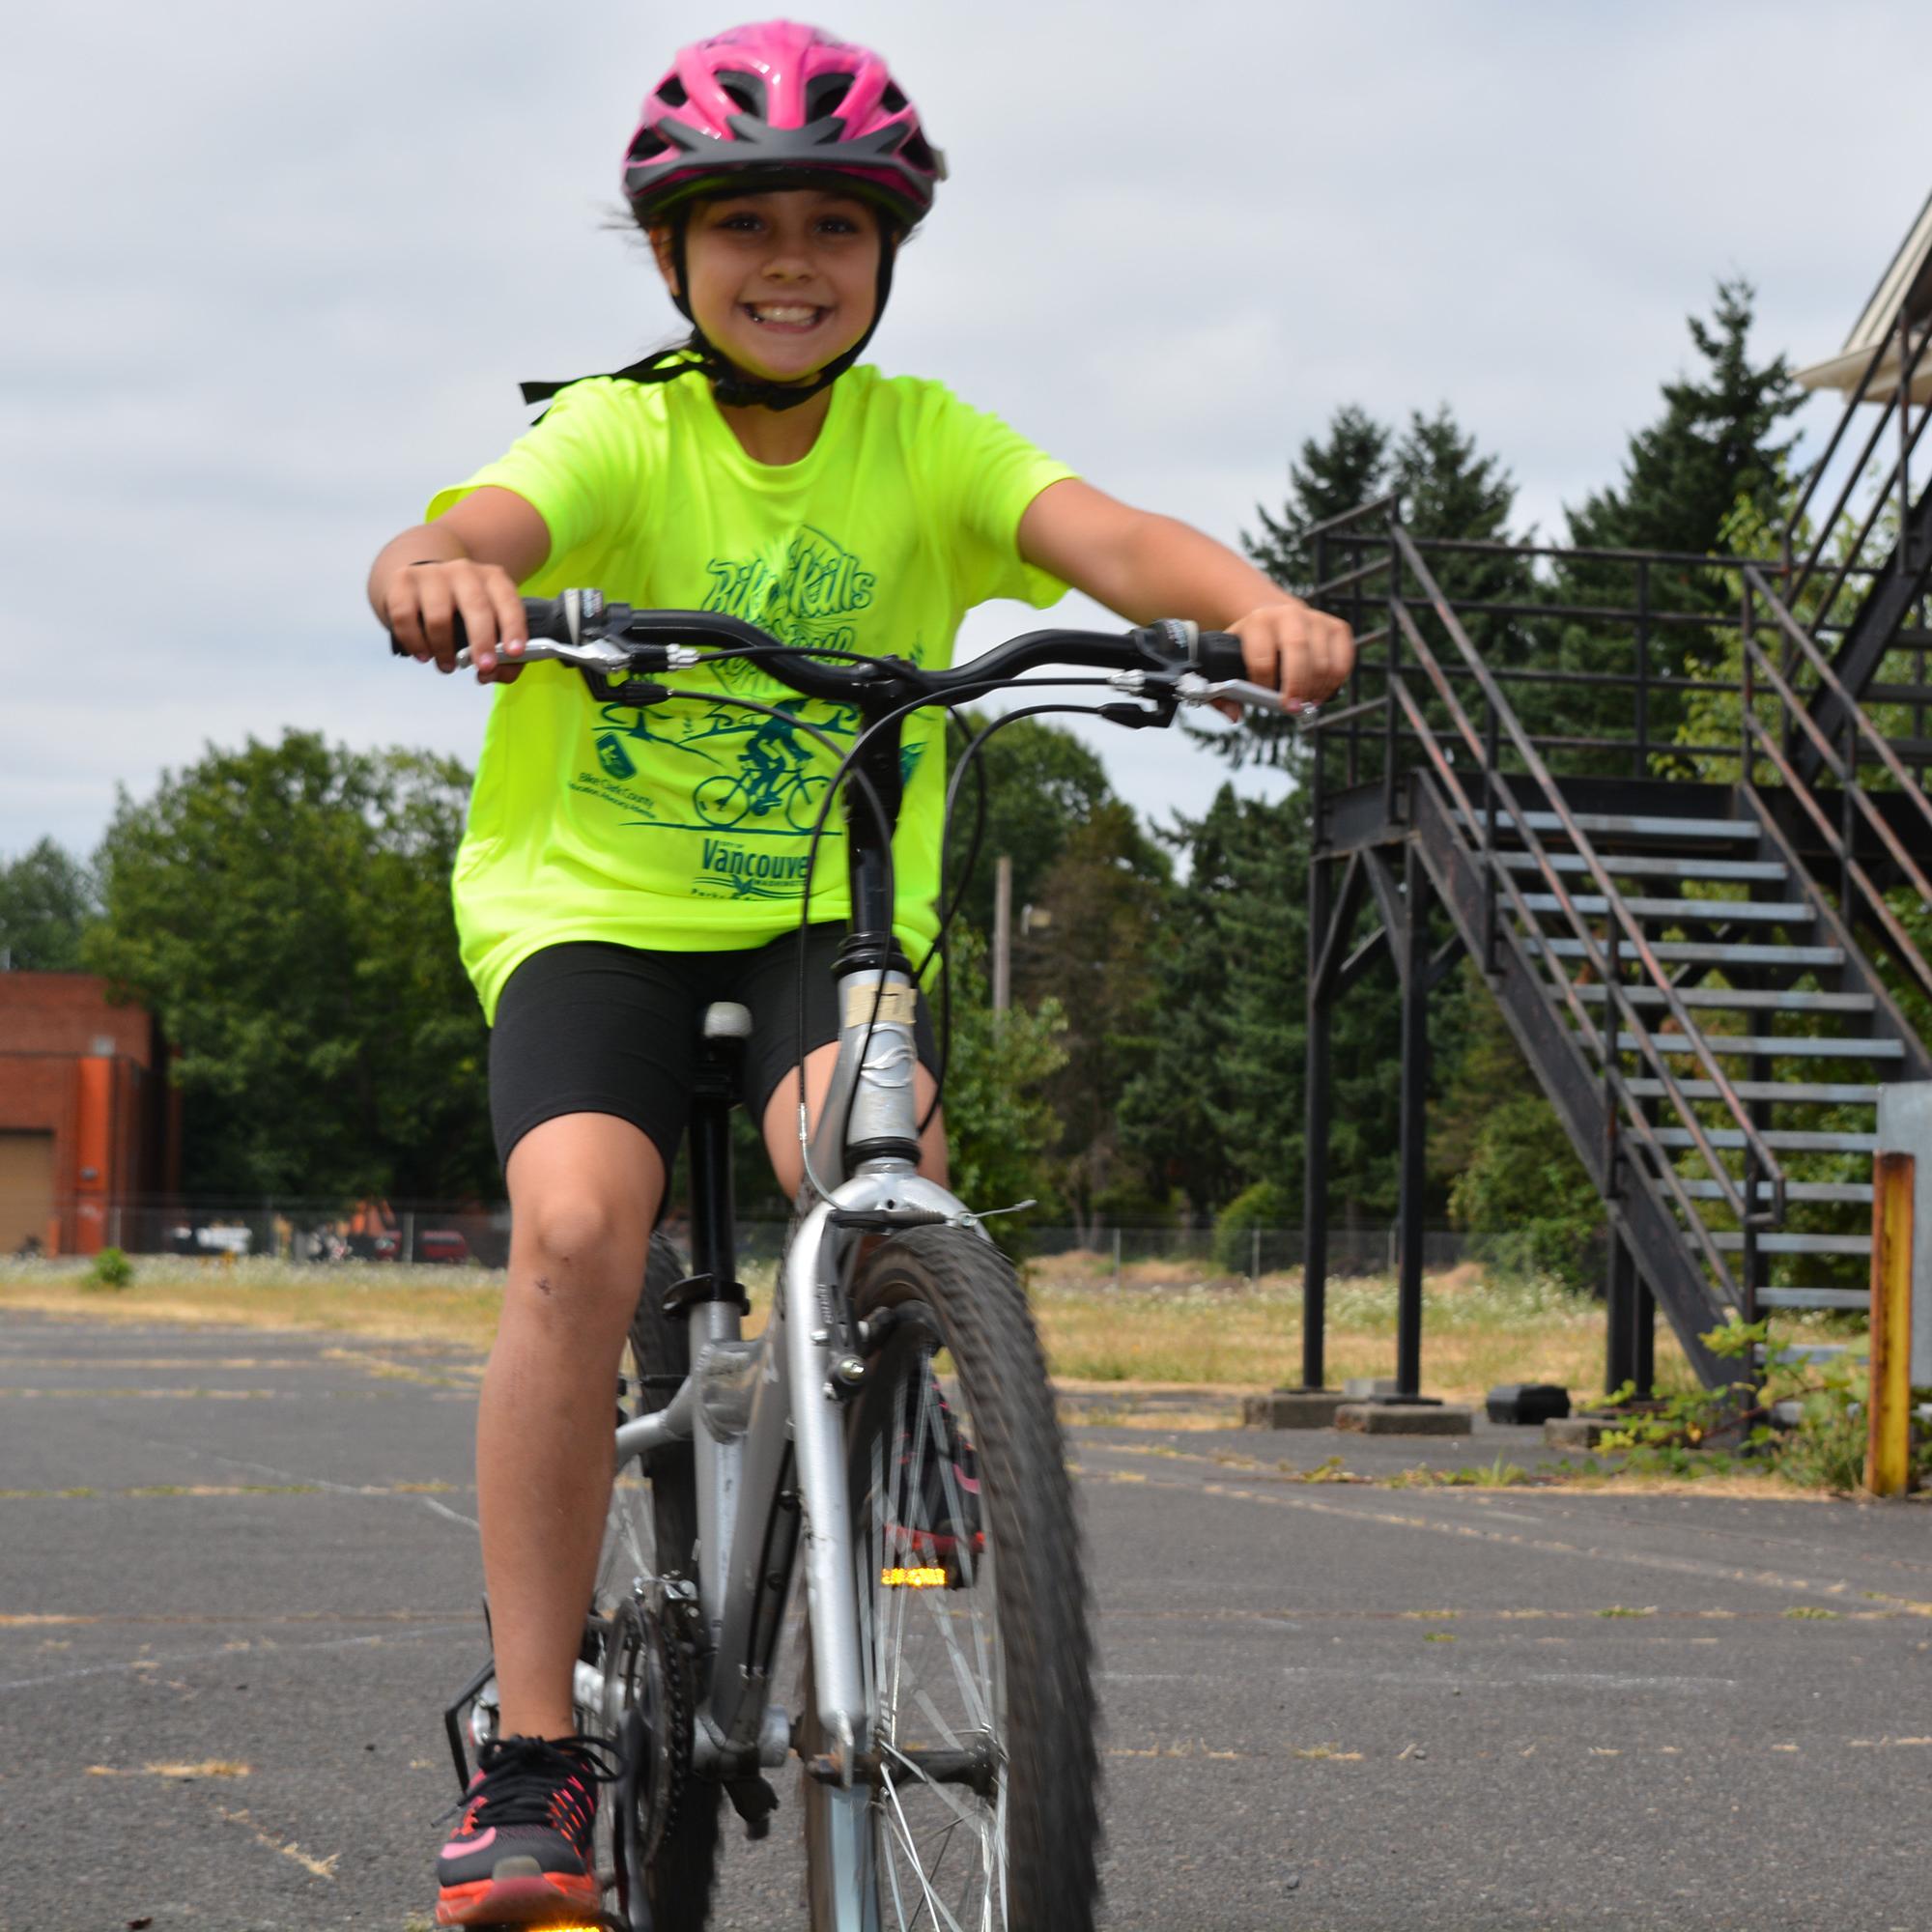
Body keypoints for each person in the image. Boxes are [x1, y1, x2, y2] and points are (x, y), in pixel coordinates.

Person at [368, 20, 1354, 1927]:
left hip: (829, 908)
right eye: (743, 224)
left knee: (877, 1148)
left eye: (835, 221)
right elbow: (498, 518)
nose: (791, 259)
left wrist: (1247, 605)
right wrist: (441, 559)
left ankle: (900, 1398)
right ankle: (538, 1753)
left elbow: (1112, 538)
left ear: (889, 253)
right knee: (579, 1223)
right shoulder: (624, 430)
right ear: (671, 257)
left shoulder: (927, 445)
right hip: (595, 902)